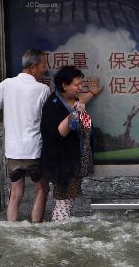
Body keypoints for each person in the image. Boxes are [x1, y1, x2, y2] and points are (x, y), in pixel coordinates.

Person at [0, 48, 51, 222]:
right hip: (34, 151)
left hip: (13, 152)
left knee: (16, 192)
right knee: (42, 190)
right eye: (43, 65)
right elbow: (48, 121)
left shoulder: (6, 84)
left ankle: (12, 230)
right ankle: (36, 227)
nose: (44, 69)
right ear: (32, 67)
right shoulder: (43, 90)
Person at [39, 65, 102, 222]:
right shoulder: (52, 106)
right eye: (76, 85)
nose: (80, 88)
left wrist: (92, 92)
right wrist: (76, 114)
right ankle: (57, 230)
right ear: (64, 85)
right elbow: (59, 133)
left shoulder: (71, 100)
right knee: (64, 201)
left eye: (81, 84)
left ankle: (57, 228)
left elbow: (79, 103)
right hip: (63, 164)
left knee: (67, 200)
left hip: (72, 161)